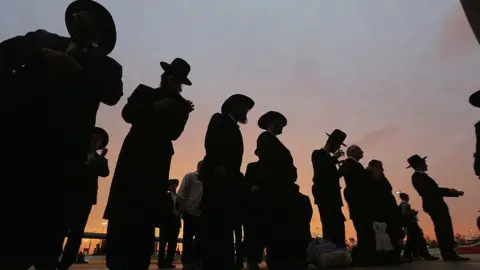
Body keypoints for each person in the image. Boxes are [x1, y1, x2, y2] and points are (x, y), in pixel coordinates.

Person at [0, 1, 123, 268]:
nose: (80, 15)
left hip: (62, 163)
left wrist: (78, 71)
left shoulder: (107, 65)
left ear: (100, 32)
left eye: (89, 15)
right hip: (16, 151)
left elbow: (113, 93)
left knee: (46, 243)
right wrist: (41, 57)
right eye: (79, 13)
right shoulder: (41, 40)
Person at [104, 58, 194, 269]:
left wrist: (152, 111)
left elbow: (174, 133)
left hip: (155, 162)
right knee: (122, 209)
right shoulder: (145, 91)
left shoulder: (180, 105)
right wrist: (157, 108)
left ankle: (138, 261)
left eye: (175, 78)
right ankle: (115, 259)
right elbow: (127, 114)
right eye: (168, 75)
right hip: (132, 157)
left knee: (145, 213)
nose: (170, 80)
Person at [199, 94, 255, 269]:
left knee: (224, 227)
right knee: (216, 226)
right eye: (244, 107)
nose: (246, 111)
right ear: (233, 106)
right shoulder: (220, 119)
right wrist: (218, 164)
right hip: (218, 181)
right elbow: (211, 143)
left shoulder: (233, 127)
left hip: (228, 183)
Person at [58, 127, 110, 270]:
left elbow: (105, 173)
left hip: (86, 198)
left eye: (98, 140)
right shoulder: (75, 155)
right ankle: (51, 258)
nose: (95, 142)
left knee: (77, 231)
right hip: (69, 194)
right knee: (61, 227)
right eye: (93, 139)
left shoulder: (100, 160)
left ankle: (66, 262)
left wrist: (97, 160)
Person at [255, 111, 300, 269]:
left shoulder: (274, 141)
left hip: (282, 188)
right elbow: (272, 163)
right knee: (275, 225)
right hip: (275, 188)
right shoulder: (265, 138)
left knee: (281, 225)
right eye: (280, 123)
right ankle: (276, 259)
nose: (282, 127)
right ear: (271, 122)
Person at [408, 154, 470, 261]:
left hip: (435, 205)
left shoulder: (421, 176)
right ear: (419, 164)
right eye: (424, 162)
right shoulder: (418, 177)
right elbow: (432, 191)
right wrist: (449, 191)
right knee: (443, 229)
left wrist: (451, 192)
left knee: (445, 228)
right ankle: (448, 254)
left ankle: (449, 253)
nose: (426, 164)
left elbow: (434, 190)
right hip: (434, 206)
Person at [339, 145, 375, 265]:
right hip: (359, 203)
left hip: (361, 203)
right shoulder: (349, 164)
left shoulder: (353, 165)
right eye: (360, 150)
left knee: (366, 230)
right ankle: (364, 257)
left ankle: (367, 256)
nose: (362, 151)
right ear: (354, 152)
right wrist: (368, 174)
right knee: (363, 229)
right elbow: (358, 182)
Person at [311, 129, 347, 248]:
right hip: (325, 196)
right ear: (331, 142)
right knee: (329, 223)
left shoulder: (330, 159)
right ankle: (331, 251)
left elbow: (334, 176)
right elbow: (321, 169)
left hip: (334, 197)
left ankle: (339, 249)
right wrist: (334, 159)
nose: (336, 150)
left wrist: (343, 168)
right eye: (336, 146)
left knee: (338, 224)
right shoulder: (317, 153)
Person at [365, 160, 404, 261]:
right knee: (387, 234)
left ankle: (395, 255)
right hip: (382, 210)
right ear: (373, 167)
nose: (382, 169)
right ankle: (391, 256)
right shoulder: (369, 176)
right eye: (380, 167)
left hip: (389, 208)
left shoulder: (380, 176)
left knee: (394, 233)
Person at [178, 161, 204, 269]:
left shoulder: (188, 176)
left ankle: (187, 261)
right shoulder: (207, 180)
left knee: (188, 238)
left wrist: (182, 209)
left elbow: (182, 194)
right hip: (201, 212)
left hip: (189, 212)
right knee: (199, 238)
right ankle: (197, 261)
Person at [398, 193, 438, 260]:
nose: (408, 198)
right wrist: (412, 213)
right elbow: (404, 213)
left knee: (411, 240)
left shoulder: (403, 205)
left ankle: (408, 255)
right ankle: (424, 254)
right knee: (420, 239)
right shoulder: (404, 205)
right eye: (408, 197)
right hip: (411, 224)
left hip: (409, 224)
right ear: (405, 197)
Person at [243, 151, 264, 270]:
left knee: (260, 234)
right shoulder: (252, 167)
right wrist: (251, 188)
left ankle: (255, 259)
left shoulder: (270, 169)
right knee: (251, 233)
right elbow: (246, 184)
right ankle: (251, 259)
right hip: (253, 205)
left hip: (263, 205)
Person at [158, 179, 182, 269]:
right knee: (163, 243)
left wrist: (179, 212)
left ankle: (168, 262)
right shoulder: (165, 196)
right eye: (172, 184)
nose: (174, 186)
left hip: (175, 223)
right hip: (166, 222)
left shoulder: (179, 196)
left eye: (175, 184)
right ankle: (161, 263)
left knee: (172, 244)